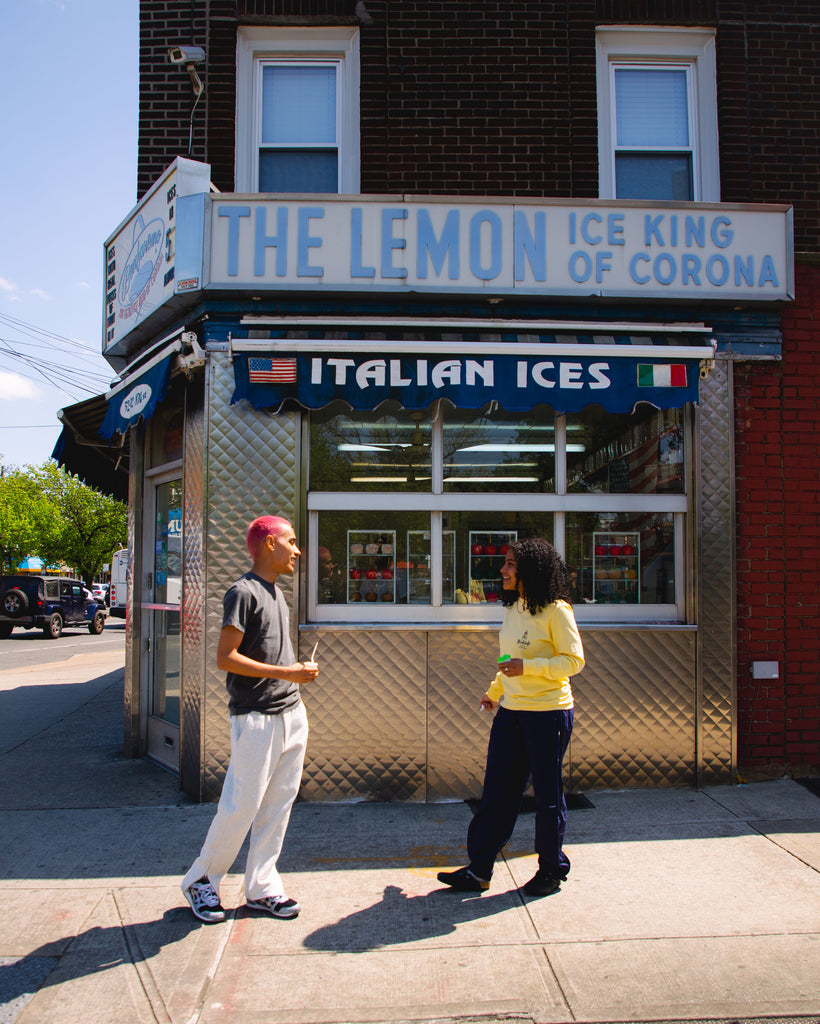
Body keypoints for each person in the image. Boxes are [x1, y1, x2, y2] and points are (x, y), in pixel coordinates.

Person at [181, 515, 319, 923]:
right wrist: (288, 672)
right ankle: (201, 879)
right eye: (291, 541)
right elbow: (226, 658)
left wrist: (292, 678)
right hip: (257, 718)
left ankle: (261, 887)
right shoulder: (242, 592)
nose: (297, 550)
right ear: (269, 543)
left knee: (278, 805)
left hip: (291, 713)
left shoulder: (276, 593)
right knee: (240, 805)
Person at [438, 536, 584, 898]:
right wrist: (495, 692)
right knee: (497, 792)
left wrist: (529, 667)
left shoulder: (557, 610)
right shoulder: (514, 607)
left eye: (510, 565)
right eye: (505, 563)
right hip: (512, 712)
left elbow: (573, 661)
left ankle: (551, 869)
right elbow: (508, 661)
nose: (502, 570)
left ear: (530, 570)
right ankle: (479, 869)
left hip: (548, 714)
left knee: (547, 795)